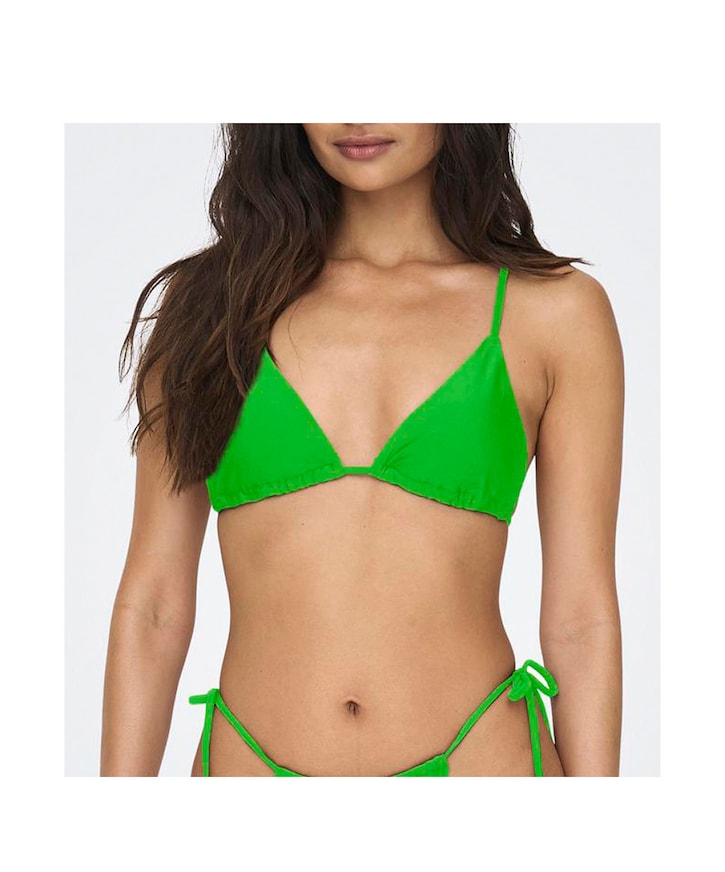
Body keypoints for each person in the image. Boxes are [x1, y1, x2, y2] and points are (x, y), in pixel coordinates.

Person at [101, 123, 624, 777]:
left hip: (484, 765)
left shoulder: (555, 312)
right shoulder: (211, 308)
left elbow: (580, 616)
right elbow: (153, 603)